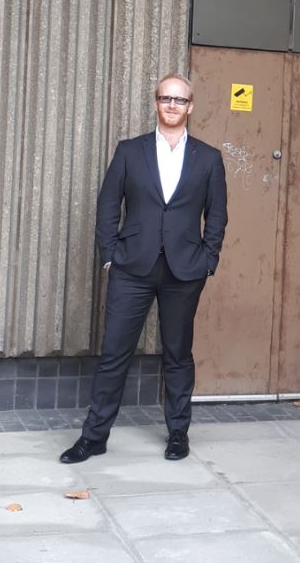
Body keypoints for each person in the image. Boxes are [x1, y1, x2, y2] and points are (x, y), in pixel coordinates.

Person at [60, 73, 227, 464]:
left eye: (180, 100)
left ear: (191, 107)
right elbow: (107, 205)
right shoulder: (129, 151)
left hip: (184, 271)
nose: (172, 105)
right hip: (132, 267)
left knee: (177, 355)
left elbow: (216, 215)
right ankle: (94, 436)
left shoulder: (209, 158)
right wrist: (110, 253)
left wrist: (208, 260)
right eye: (166, 98)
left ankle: (178, 435)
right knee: (114, 353)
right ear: (156, 103)